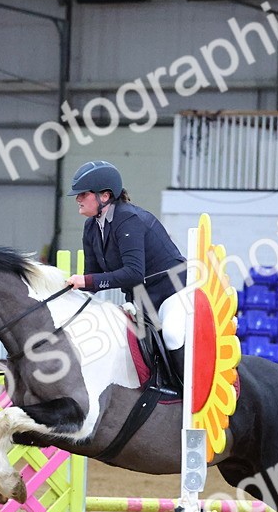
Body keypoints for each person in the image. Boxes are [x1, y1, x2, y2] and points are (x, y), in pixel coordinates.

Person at [63, 160, 186, 385]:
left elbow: (133, 274)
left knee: (172, 335)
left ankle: (185, 393)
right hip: (141, 300)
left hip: (173, 293)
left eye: (83, 194)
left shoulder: (128, 219)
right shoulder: (91, 227)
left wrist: (85, 281)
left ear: (105, 196)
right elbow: (92, 277)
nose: (78, 199)